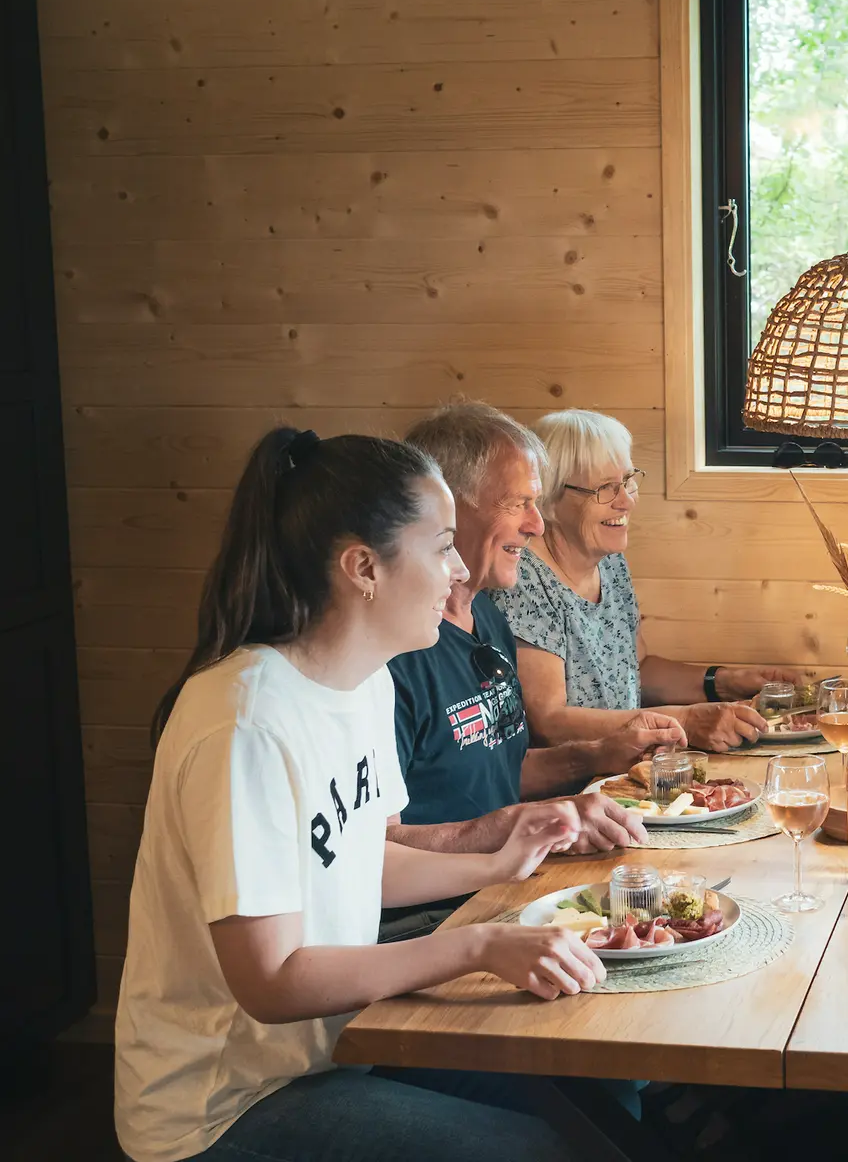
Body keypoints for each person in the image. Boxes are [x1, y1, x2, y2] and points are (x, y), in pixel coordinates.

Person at [116, 427, 605, 1162]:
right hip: (225, 1109)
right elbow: (273, 982)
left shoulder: (367, 679)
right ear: (363, 568)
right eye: (441, 545)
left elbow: (361, 859)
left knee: (586, 1087)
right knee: (538, 1149)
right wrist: (476, 945)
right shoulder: (244, 724)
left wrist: (501, 862)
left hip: (336, 1050)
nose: (453, 570)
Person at [382, 402, 688, 941]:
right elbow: (372, 851)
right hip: (432, 920)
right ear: (447, 510)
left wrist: (595, 757)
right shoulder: (393, 656)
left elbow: (496, 768)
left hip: (509, 883)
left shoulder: (489, 620)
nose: (536, 523)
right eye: (520, 502)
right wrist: (510, 827)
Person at [494, 409, 803, 753]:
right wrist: (683, 722)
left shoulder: (609, 562)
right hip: (572, 787)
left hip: (628, 766)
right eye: (605, 489)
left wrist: (725, 682)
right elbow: (549, 723)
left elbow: (636, 667)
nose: (626, 501)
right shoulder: (524, 581)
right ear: (549, 497)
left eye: (628, 481)